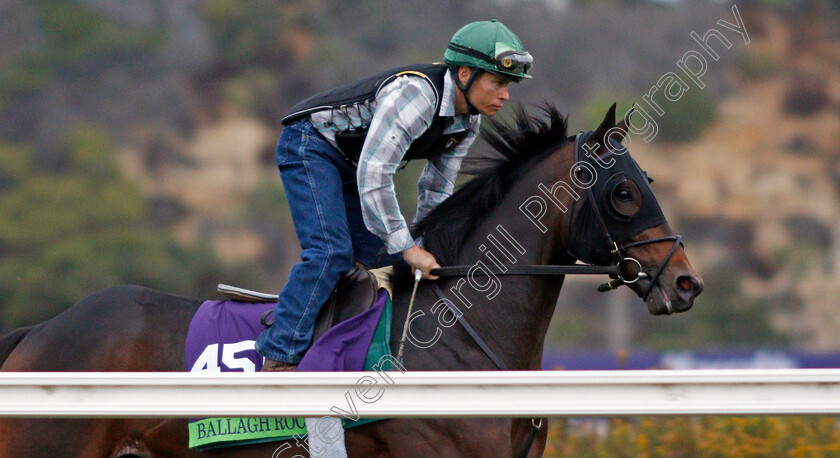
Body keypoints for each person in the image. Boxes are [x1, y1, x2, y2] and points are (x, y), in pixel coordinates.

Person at [257, 19, 533, 371]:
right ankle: (279, 356)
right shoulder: (417, 97)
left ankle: (340, 353)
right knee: (331, 252)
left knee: (378, 260)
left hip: (351, 163)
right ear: (465, 74)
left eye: (508, 85)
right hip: (310, 146)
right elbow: (374, 175)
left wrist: (426, 247)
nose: (506, 95)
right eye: (498, 82)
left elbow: (436, 190)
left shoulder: (468, 121)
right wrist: (409, 247)